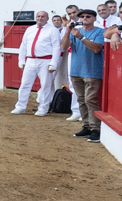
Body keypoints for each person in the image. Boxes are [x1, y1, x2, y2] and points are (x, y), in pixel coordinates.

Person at [61, 9, 104, 143]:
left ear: (94, 18)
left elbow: (97, 48)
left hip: (92, 70)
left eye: (88, 16)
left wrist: (81, 37)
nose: (84, 18)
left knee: (90, 100)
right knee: (81, 100)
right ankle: (87, 126)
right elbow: (63, 46)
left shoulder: (99, 32)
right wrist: (68, 31)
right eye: (82, 16)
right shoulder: (75, 31)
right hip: (76, 70)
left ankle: (95, 128)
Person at [12, 10, 61, 117]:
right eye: (38, 16)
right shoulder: (30, 29)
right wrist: (21, 60)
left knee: (45, 85)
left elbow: (57, 47)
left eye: (43, 16)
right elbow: (23, 45)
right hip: (30, 60)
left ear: (47, 18)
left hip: (45, 60)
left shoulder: (52, 30)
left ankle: (43, 108)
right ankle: (20, 106)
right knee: (25, 84)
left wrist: (54, 62)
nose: (40, 18)